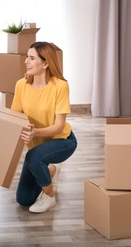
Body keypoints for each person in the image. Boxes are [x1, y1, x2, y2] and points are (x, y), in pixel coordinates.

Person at [11, 41, 78, 213]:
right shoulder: (21, 85)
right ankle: (51, 171)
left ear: (46, 63)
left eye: (32, 58)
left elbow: (58, 126)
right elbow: (15, 117)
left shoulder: (60, 86)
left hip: (62, 141)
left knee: (33, 157)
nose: (26, 61)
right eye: (27, 57)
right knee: (23, 199)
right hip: (37, 146)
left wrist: (35, 132)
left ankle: (49, 196)